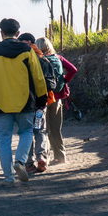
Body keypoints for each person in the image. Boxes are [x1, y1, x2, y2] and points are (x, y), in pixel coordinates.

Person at [0, 19, 48, 186]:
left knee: (4, 140)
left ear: (1, 33)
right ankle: (20, 161)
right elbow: (38, 77)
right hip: (25, 102)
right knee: (26, 132)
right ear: (18, 34)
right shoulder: (27, 51)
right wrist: (42, 98)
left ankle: (9, 178)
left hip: (0, 103)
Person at [35, 37, 78, 166]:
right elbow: (73, 70)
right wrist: (64, 80)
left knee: (43, 129)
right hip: (57, 97)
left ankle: (45, 157)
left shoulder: (37, 60)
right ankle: (60, 156)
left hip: (43, 98)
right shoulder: (58, 58)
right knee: (56, 129)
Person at [18, 33, 53, 174]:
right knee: (40, 131)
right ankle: (42, 157)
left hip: (24, 103)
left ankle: (29, 162)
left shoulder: (20, 59)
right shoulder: (43, 59)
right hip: (40, 103)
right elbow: (50, 82)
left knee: (26, 132)